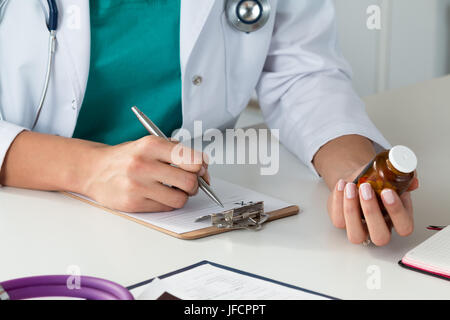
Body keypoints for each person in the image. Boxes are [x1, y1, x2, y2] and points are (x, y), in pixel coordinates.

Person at [0, 0, 418, 246]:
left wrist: (353, 169)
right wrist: (88, 168)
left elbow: (299, 71)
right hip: (24, 216)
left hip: (176, 227)